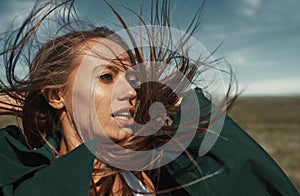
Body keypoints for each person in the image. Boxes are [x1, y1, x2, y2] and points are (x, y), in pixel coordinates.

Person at [0, 0, 298, 195]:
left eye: (134, 79)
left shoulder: (154, 172)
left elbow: (253, 179)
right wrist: (26, 101)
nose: (131, 91)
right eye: (106, 76)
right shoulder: (29, 181)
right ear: (55, 95)